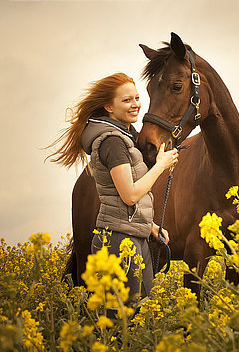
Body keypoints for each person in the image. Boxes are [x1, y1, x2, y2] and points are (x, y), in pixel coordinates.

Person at [49, 72, 178, 302]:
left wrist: (150, 227)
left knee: (141, 313)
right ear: (108, 106)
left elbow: (122, 202)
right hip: (119, 241)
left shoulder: (125, 137)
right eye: (126, 100)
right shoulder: (113, 142)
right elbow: (129, 195)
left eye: (137, 98)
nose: (135, 105)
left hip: (133, 237)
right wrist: (161, 165)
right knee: (123, 318)